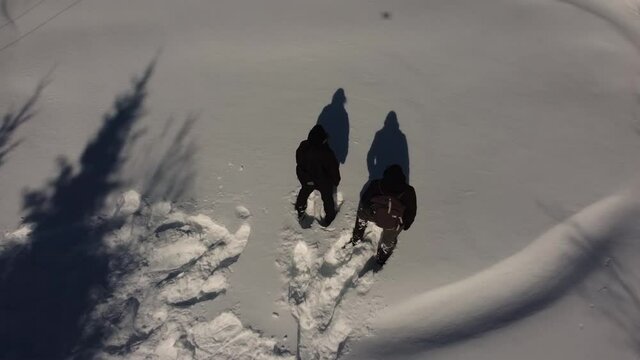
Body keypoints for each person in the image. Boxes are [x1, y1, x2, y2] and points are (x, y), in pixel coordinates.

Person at [350, 164, 416, 265]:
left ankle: (357, 237)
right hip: (394, 223)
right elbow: (411, 212)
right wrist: (405, 225)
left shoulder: (377, 184)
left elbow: (365, 201)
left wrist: (370, 211)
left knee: (362, 213)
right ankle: (382, 256)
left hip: (375, 215)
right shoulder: (408, 191)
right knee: (389, 239)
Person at [295, 124, 341, 226]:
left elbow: (298, 161)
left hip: (307, 178)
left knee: (304, 191)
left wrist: (305, 177)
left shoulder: (303, 145)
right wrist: (336, 181)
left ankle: (300, 208)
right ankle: (330, 217)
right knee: (327, 197)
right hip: (323, 180)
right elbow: (333, 169)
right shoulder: (326, 153)